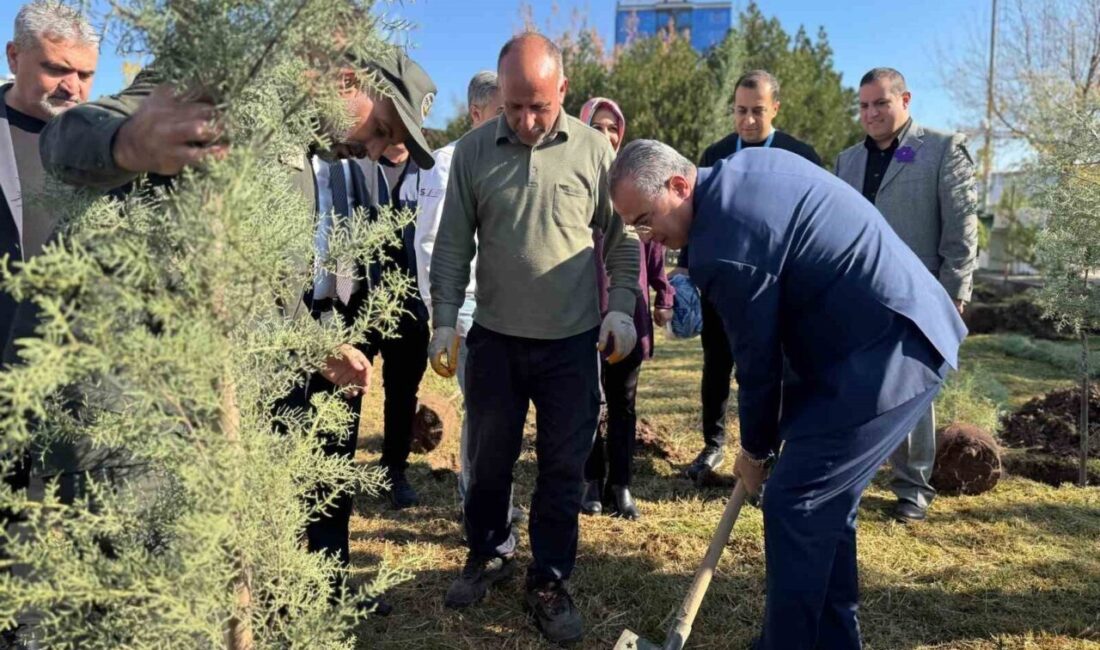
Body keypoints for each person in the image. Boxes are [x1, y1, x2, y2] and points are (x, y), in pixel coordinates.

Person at [37, 43, 438, 614]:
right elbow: (65, 137)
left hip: (200, 406)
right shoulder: (227, 83)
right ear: (347, 80)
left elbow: (265, 280)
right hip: (126, 395)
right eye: (378, 129)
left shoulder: (298, 155)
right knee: (139, 599)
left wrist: (316, 344)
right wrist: (131, 144)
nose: (373, 149)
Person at [607, 139, 966, 650]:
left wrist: (755, 449)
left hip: (888, 351)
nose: (648, 238)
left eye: (644, 220)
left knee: (795, 504)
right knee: (821, 504)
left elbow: (757, 361)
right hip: (862, 342)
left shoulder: (723, 246)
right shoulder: (740, 170)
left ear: (679, 185)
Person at [428, 33, 640, 644]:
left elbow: (622, 242)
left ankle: (548, 577)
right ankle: (488, 551)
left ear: (563, 92)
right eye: (513, 105)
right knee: (488, 462)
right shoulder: (472, 152)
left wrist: (621, 310)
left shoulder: (596, 151)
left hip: (572, 345)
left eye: (538, 106)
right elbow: (451, 246)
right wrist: (445, 318)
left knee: (561, 468)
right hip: (494, 340)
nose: (524, 120)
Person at [835, 67, 978, 523]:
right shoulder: (847, 162)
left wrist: (954, 293)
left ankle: (913, 488)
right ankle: (855, 475)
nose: (871, 113)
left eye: (881, 103)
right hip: (859, 294)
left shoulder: (941, 149)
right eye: (864, 105)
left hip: (920, 294)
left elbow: (962, 232)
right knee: (858, 387)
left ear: (906, 100)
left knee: (911, 391)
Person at [681, 70, 822, 481]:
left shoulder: (801, 155)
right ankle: (713, 445)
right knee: (717, 365)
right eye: (740, 111)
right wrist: (687, 270)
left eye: (757, 111)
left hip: (779, 288)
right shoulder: (716, 153)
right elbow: (697, 217)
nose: (748, 120)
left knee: (768, 370)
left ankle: (767, 450)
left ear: (775, 107)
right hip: (723, 287)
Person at [1, 0, 98, 578]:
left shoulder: (100, 146)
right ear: (14, 56)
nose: (72, 86)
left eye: (85, 73)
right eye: (57, 68)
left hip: (75, 378)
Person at [411, 70, 515, 520]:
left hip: (506, 305)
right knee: (485, 406)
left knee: (499, 407)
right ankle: (478, 502)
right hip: (468, 308)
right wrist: (445, 318)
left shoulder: (506, 160)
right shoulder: (445, 163)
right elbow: (429, 244)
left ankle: (491, 499)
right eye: (500, 113)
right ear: (476, 113)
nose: (509, 122)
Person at [577, 96, 673, 520]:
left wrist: (662, 294)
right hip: (581, 311)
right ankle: (590, 481)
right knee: (585, 401)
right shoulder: (574, 181)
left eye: (613, 127)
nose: (606, 134)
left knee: (624, 402)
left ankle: (622, 485)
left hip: (628, 312)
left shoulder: (635, 184)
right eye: (597, 125)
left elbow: (653, 249)